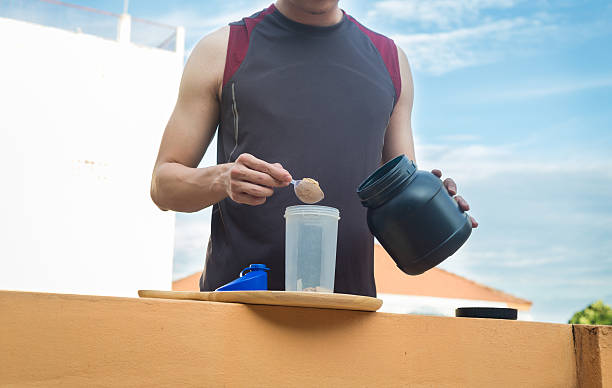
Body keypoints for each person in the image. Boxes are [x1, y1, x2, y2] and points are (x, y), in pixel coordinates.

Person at [150, 0, 478, 297]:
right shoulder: (222, 49)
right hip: (238, 309)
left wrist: (433, 206)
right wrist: (222, 179)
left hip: (348, 314)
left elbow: (398, 197)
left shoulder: (391, 60)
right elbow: (163, 186)